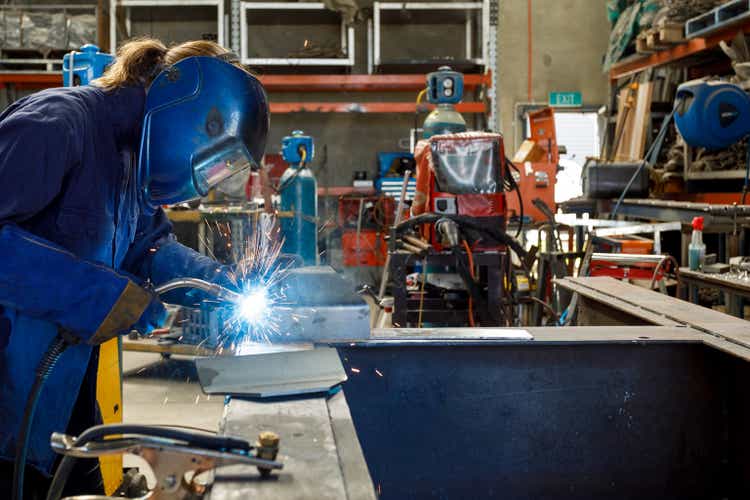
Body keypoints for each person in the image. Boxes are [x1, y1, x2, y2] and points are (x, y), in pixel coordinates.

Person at [0, 38, 269, 498]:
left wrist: (222, 284)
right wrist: (100, 295)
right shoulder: (57, 125)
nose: (204, 185)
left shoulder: (132, 163)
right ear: (191, 113)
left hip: (62, 390)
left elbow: (148, 248)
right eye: (214, 161)